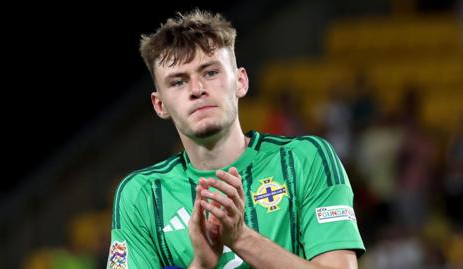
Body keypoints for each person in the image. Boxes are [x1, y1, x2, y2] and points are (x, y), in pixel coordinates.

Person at [107, 9, 365, 269]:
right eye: (178, 82)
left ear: (240, 81)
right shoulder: (140, 196)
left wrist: (241, 238)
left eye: (210, 73)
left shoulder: (306, 159)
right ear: (159, 104)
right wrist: (202, 264)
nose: (197, 90)